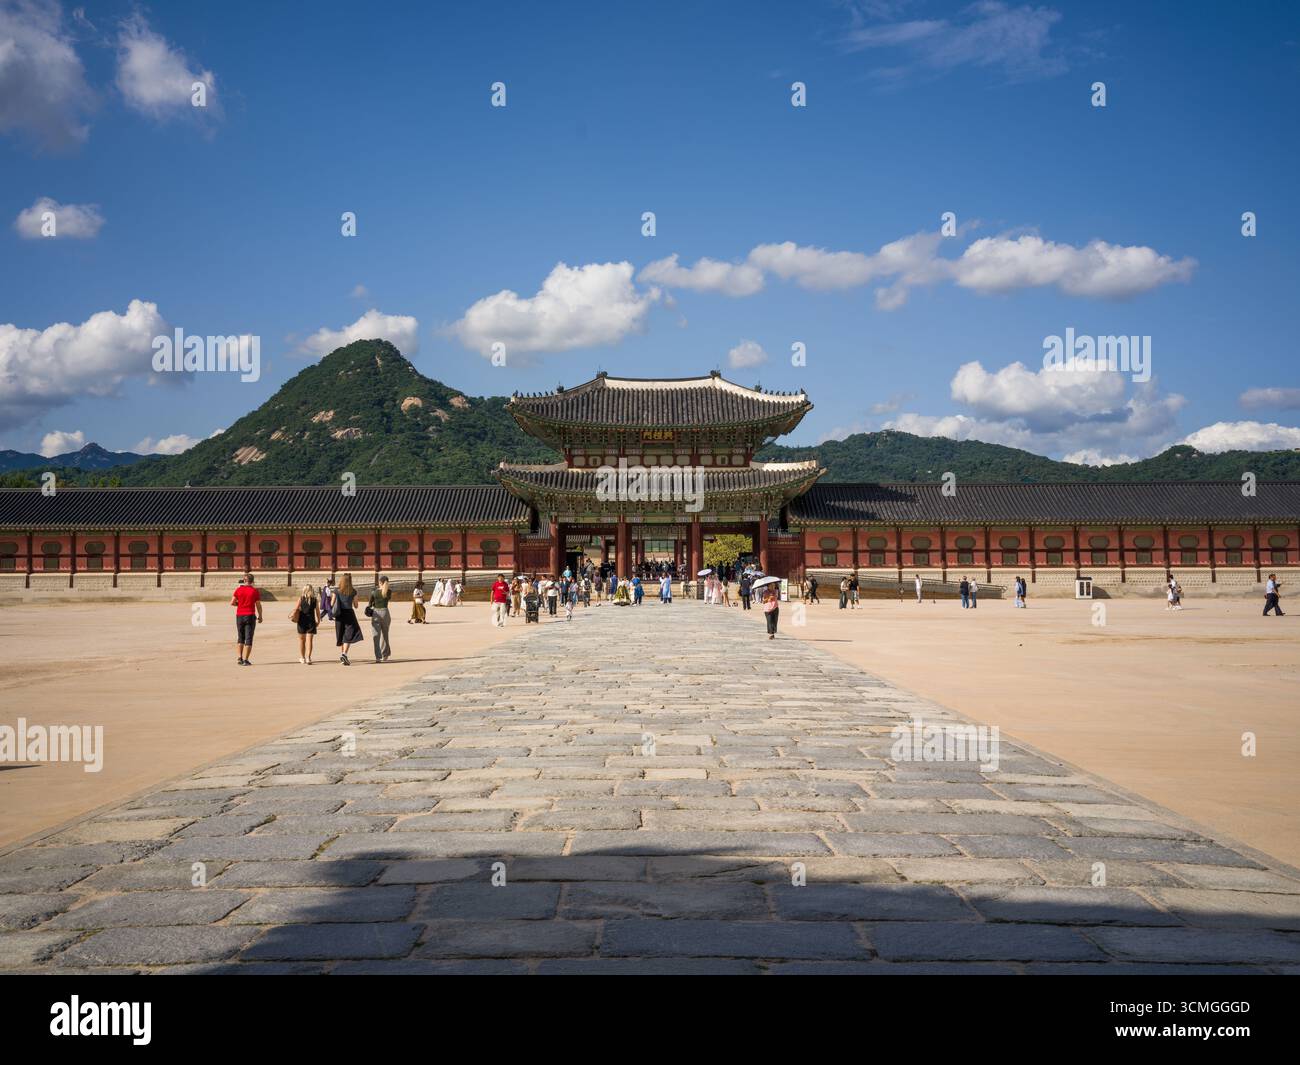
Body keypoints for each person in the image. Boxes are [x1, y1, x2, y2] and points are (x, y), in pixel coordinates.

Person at [231, 573, 262, 666]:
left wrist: (239, 604)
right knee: (248, 638)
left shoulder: (238, 590)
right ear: (252, 581)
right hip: (250, 615)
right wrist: (260, 615)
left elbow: (232, 602)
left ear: (244, 581)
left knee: (241, 637)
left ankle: (239, 658)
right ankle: (246, 660)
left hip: (239, 616)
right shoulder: (254, 591)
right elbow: (258, 605)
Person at [333, 573, 363, 665]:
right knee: (349, 634)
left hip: (339, 614)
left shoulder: (336, 591)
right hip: (349, 613)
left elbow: (331, 604)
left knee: (342, 634)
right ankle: (344, 654)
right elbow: (356, 605)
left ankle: (343, 655)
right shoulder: (353, 591)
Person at [293, 583, 321, 664]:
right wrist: (318, 621)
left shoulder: (301, 599)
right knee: (310, 641)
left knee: (302, 641)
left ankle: (302, 658)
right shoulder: (315, 600)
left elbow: (296, 609)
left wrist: (294, 616)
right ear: (311, 590)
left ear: (304, 590)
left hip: (301, 621)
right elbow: (318, 612)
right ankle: (308, 657)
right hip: (311, 621)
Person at [368, 575, 393, 662]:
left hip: (376, 613)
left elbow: (370, 604)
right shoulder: (388, 591)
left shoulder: (374, 592)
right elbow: (388, 597)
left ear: (380, 582)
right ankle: (385, 655)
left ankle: (378, 657)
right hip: (385, 613)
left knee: (376, 635)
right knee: (385, 635)